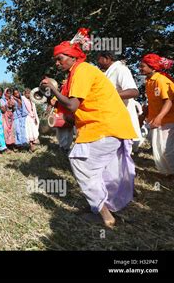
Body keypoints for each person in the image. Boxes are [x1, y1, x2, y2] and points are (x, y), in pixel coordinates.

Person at [41, 36, 136, 228]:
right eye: (56, 60)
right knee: (104, 171)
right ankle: (107, 207)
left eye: (60, 59)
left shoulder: (82, 70)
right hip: (111, 126)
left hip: (103, 127)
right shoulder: (81, 71)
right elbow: (76, 109)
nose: (57, 63)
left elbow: (73, 105)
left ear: (72, 57)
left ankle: (105, 215)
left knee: (79, 162)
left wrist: (53, 89)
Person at [97, 51, 143, 151]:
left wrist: (107, 95)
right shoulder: (108, 73)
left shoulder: (121, 70)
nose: (97, 63)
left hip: (122, 120)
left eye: (98, 59)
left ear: (107, 58)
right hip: (112, 120)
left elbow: (134, 92)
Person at [139, 53, 174, 177]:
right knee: (159, 148)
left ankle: (173, 173)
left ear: (152, 67)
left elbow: (168, 101)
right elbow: (153, 102)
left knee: (167, 149)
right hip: (157, 120)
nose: (140, 68)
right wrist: (145, 115)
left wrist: (159, 117)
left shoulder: (161, 80)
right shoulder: (149, 81)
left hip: (169, 120)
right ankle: (168, 172)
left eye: (142, 66)